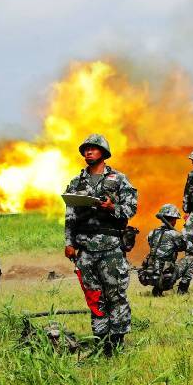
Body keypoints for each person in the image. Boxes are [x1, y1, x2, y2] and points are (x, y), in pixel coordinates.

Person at [63, 134, 138, 356]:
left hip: (111, 248)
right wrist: (69, 243)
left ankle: (117, 341)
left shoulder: (119, 179)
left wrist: (112, 207)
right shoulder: (76, 183)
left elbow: (131, 208)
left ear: (103, 152)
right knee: (94, 296)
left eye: (93, 149)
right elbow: (70, 215)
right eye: (85, 149)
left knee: (115, 295)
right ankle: (102, 341)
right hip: (85, 250)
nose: (88, 152)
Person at [139, 204, 193, 296]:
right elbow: (187, 247)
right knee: (192, 260)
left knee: (161, 260)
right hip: (166, 278)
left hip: (148, 277)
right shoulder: (175, 235)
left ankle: (158, 290)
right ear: (173, 219)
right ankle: (182, 291)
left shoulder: (151, 233)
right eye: (176, 219)